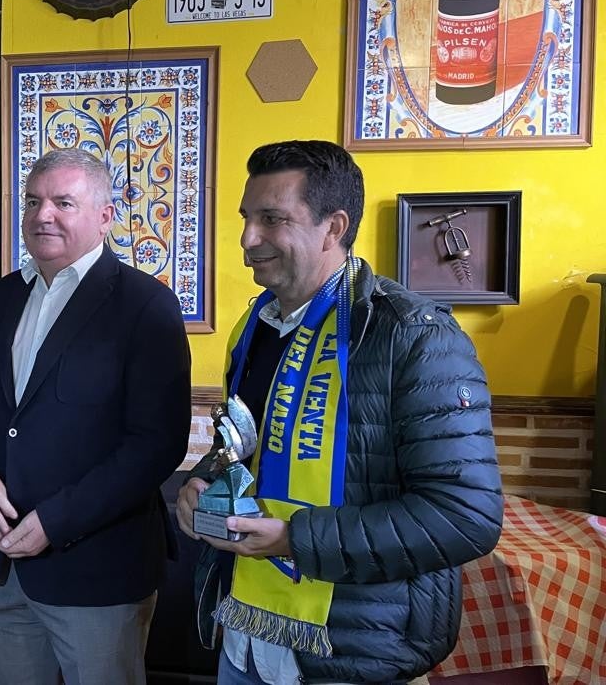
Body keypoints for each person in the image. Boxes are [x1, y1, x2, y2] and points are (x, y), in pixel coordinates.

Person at [176, 140, 502, 684]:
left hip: (349, 653)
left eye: (272, 219)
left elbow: (465, 517)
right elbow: (245, 450)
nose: (247, 239)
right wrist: (202, 484)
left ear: (334, 227)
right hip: (244, 635)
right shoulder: (253, 327)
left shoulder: (413, 335)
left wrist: (294, 539)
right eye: (246, 218)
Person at [0, 148, 193, 685]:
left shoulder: (144, 303)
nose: (44, 215)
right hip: (4, 567)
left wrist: (56, 523)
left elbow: (156, 444)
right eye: (34, 201)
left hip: (98, 575)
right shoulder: (2, 299)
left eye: (64, 202)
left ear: (106, 216)